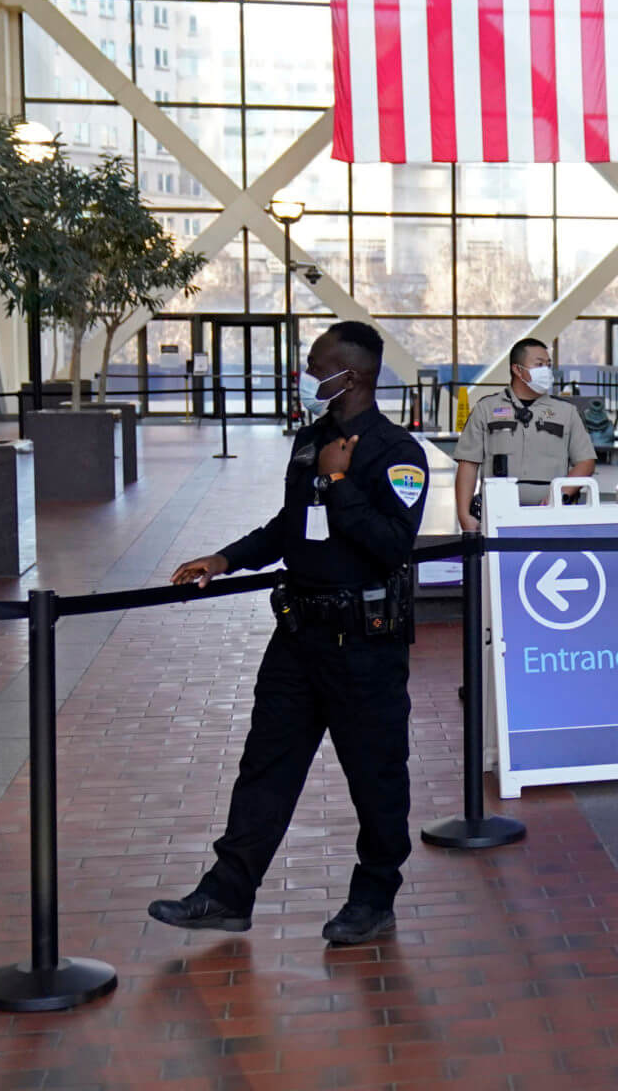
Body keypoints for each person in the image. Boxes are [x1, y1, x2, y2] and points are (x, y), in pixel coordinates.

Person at [148, 321, 428, 946]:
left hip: (364, 648)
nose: (305, 373)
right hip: (298, 638)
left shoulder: (396, 451)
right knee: (265, 768)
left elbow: (392, 545)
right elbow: (289, 526)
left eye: (315, 365)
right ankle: (227, 893)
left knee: (376, 777)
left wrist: (338, 483)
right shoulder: (310, 440)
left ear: (350, 376)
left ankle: (374, 896)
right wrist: (224, 558)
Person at [453, 338, 596, 531]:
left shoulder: (566, 412)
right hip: (497, 515)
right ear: (517, 369)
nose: (546, 370)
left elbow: (585, 461)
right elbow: (468, 463)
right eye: (539, 365)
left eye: (548, 365)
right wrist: (464, 516)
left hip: (553, 516)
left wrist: (560, 495)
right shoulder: (486, 409)